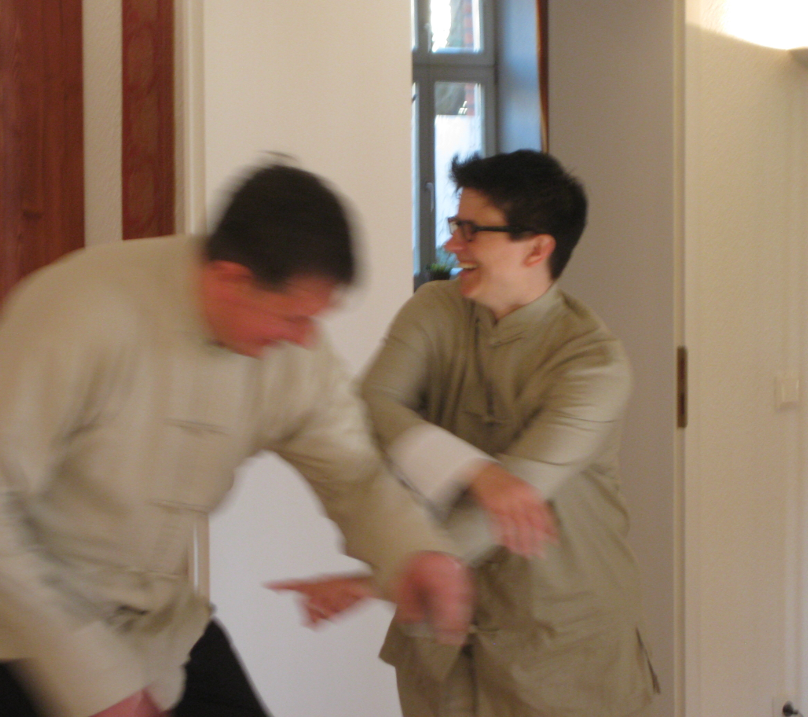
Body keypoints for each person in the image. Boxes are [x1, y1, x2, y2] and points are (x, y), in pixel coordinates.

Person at [0, 163, 474, 716]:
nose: (305, 339)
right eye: (293, 317)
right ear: (229, 279)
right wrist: (94, 680)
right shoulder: (83, 310)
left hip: (137, 598)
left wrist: (412, 550)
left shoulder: (293, 354)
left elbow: (353, 472)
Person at [270, 150, 659, 715]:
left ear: (536, 248)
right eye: (456, 225)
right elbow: (370, 405)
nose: (452, 244)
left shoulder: (594, 365)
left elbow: (506, 510)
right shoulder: (436, 308)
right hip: (442, 646)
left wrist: (376, 582)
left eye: (472, 231)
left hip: (562, 650)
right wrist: (475, 470)